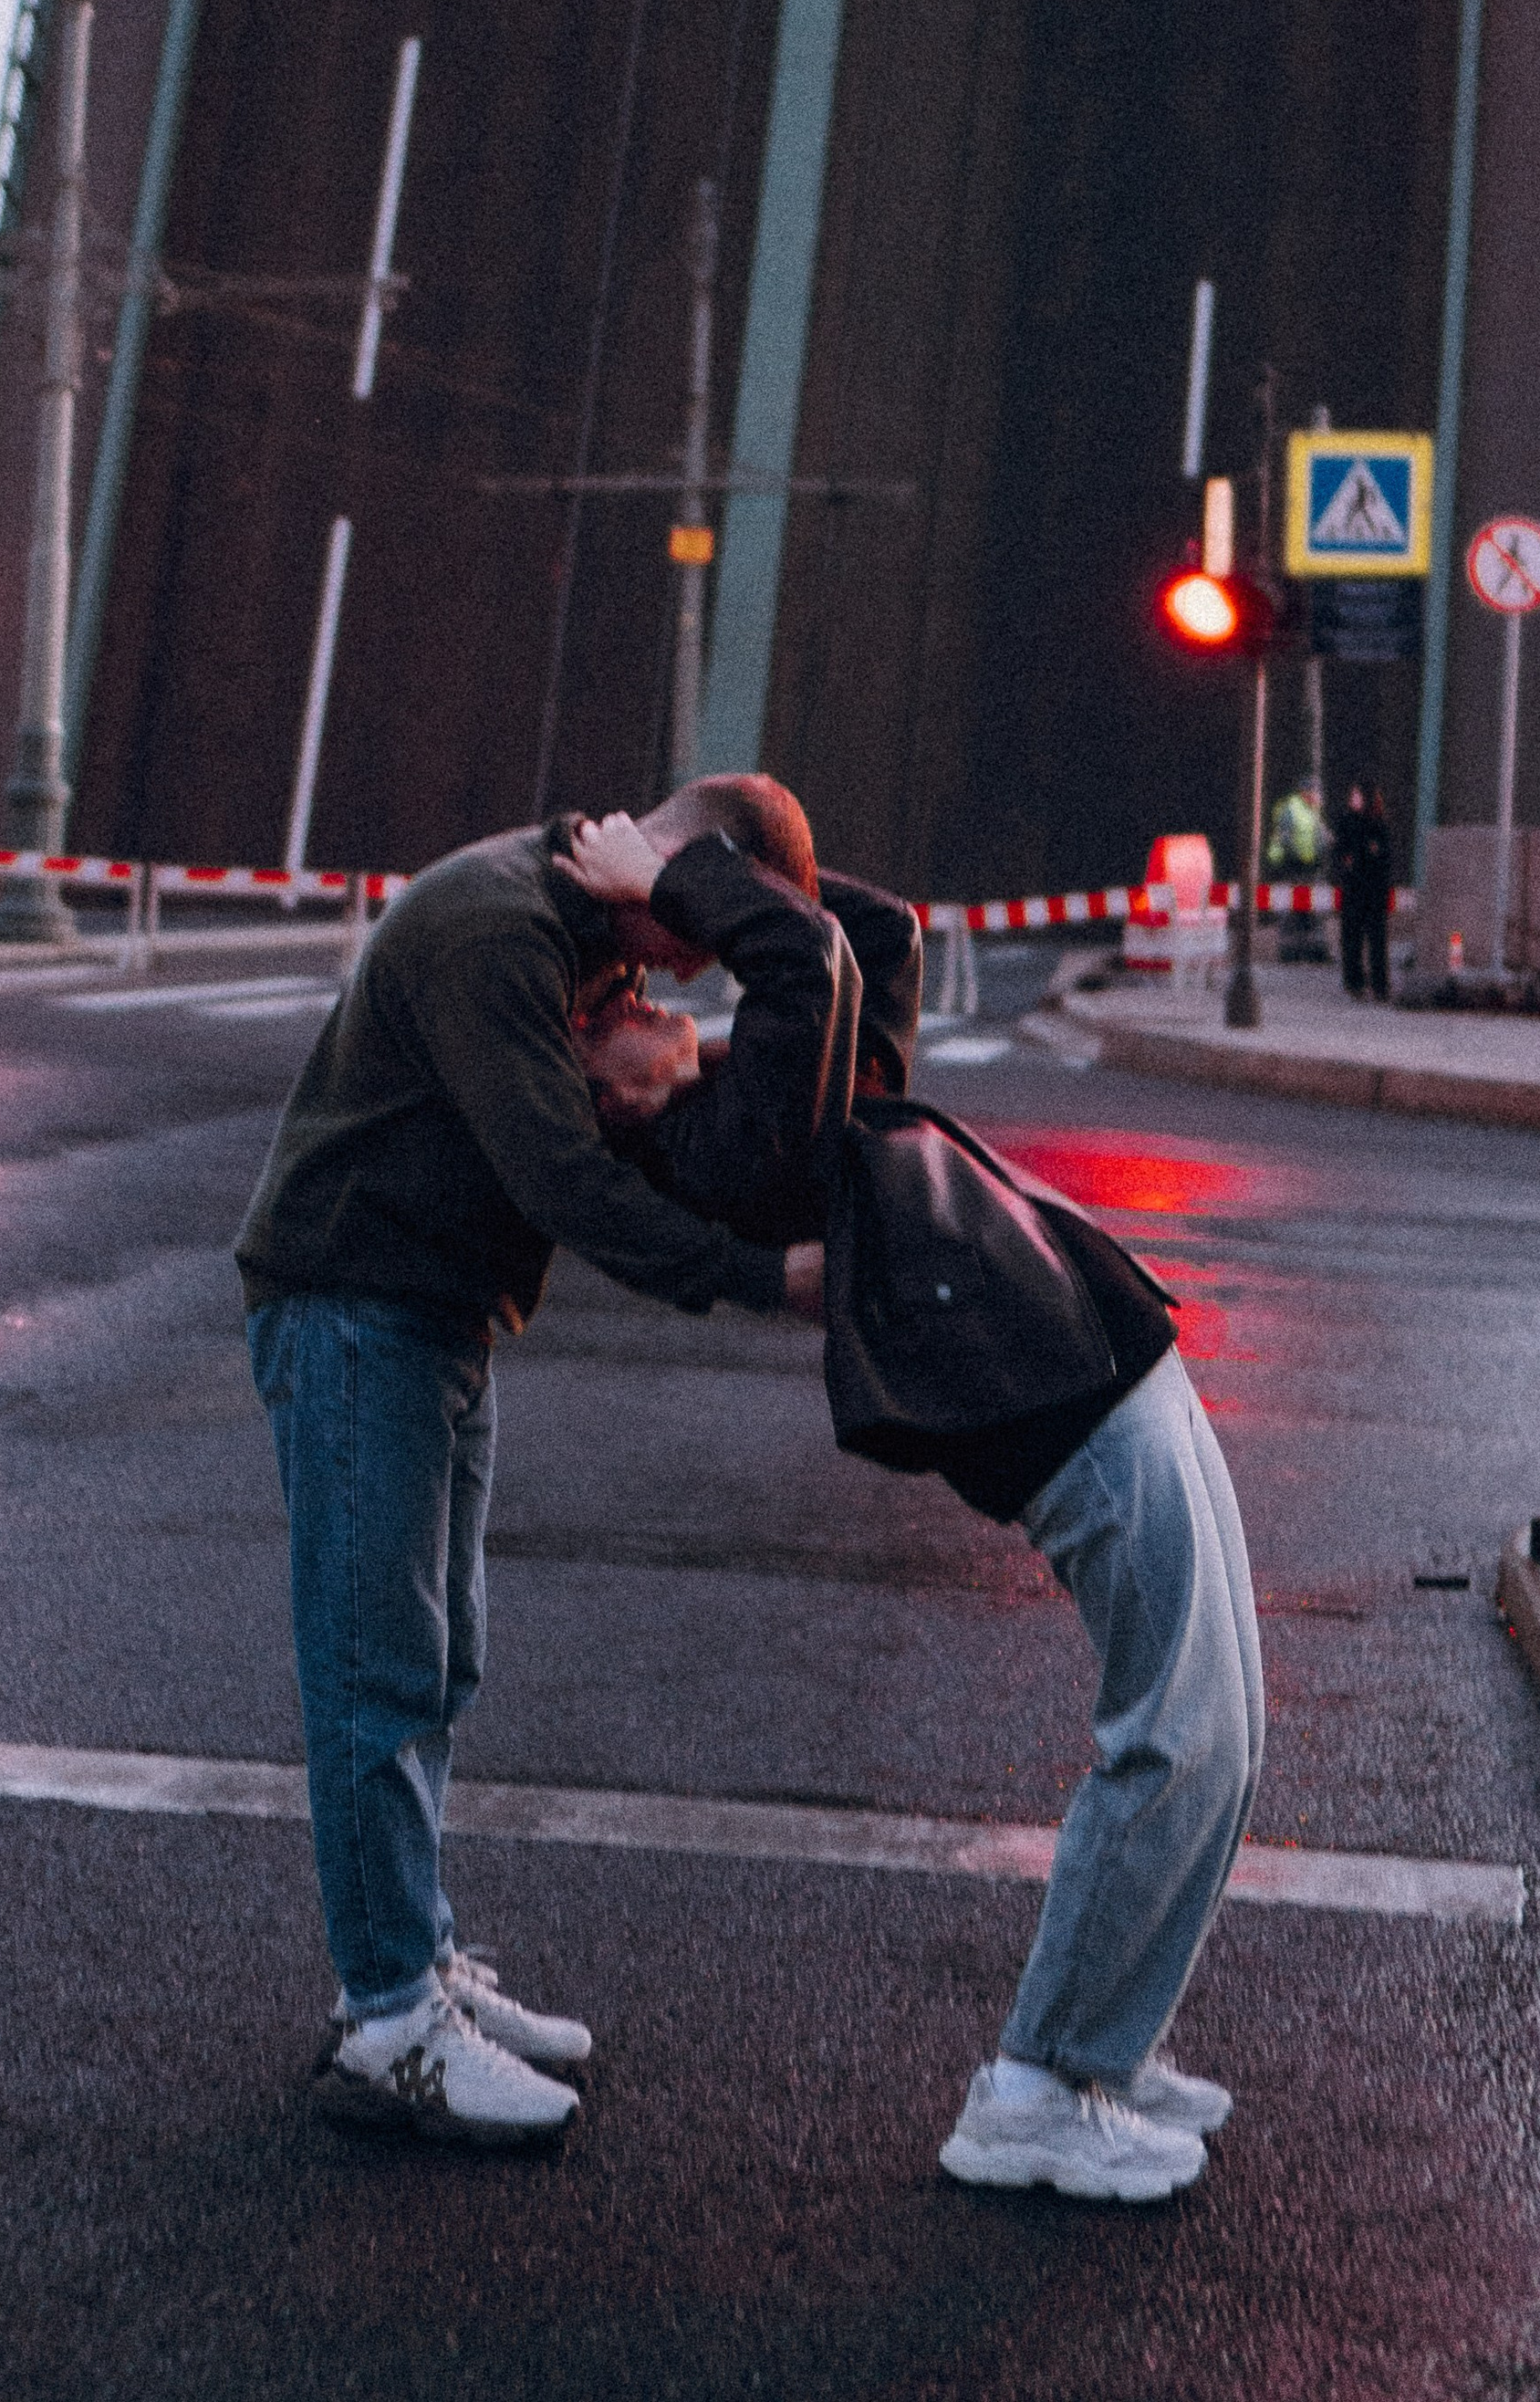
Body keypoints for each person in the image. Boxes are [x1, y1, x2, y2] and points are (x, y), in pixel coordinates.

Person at [564, 812, 1264, 2209]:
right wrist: (685, 888)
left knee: (1226, 1733)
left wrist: (710, 880)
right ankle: (1039, 2089)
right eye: (611, 1012)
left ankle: (1108, 2054)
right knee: (1171, 1743)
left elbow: (864, 941)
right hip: (1072, 1417)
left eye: (643, 978)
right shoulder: (728, 1150)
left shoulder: (782, 1098)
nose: (645, 998)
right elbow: (812, 966)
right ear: (605, 1102)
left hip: (1114, 1369)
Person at [238, 773, 820, 2148]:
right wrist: (760, 1280)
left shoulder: (583, 927)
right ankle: (388, 2021)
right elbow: (565, 1180)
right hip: (354, 1303)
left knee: (441, 1661)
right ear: (666, 867)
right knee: (374, 1666)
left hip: (437, 1314)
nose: (691, 968)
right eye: (700, 930)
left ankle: (417, 1958)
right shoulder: (501, 931)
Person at [1332, 780, 1393, 999]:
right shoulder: (1346, 822)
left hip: (1374, 892)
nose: (1353, 799)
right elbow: (1340, 853)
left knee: (1377, 940)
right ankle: (1354, 982)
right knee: (1351, 939)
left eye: (1357, 795)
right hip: (1353, 890)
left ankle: (1380, 984)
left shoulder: (1378, 825)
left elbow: (1383, 859)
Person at [1265, 778, 1328, 964]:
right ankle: (1290, 953)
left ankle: (1314, 952)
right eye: (1316, 792)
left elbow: (1318, 836)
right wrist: (1301, 859)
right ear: (1306, 792)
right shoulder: (1291, 809)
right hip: (1293, 868)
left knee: (1312, 909)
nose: (1319, 796)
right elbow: (1286, 839)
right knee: (1291, 910)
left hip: (1309, 868)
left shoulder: (1312, 811)